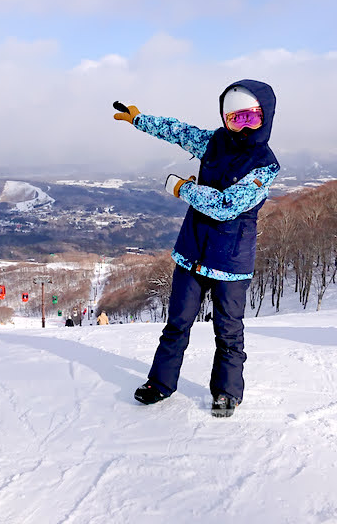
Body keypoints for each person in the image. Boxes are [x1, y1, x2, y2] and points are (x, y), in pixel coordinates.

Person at [113, 79, 279, 418]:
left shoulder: (265, 165)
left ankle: (227, 393)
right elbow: (179, 132)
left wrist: (182, 189)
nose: (241, 127)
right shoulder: (214, 143)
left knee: (229, 332)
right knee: (177, 324)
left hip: (230, 263)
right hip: (192, 252)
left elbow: (226, 205)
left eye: (249, 117)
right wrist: (138, 119)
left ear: (265, 116)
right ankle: (160, 383)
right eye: (234, 119)